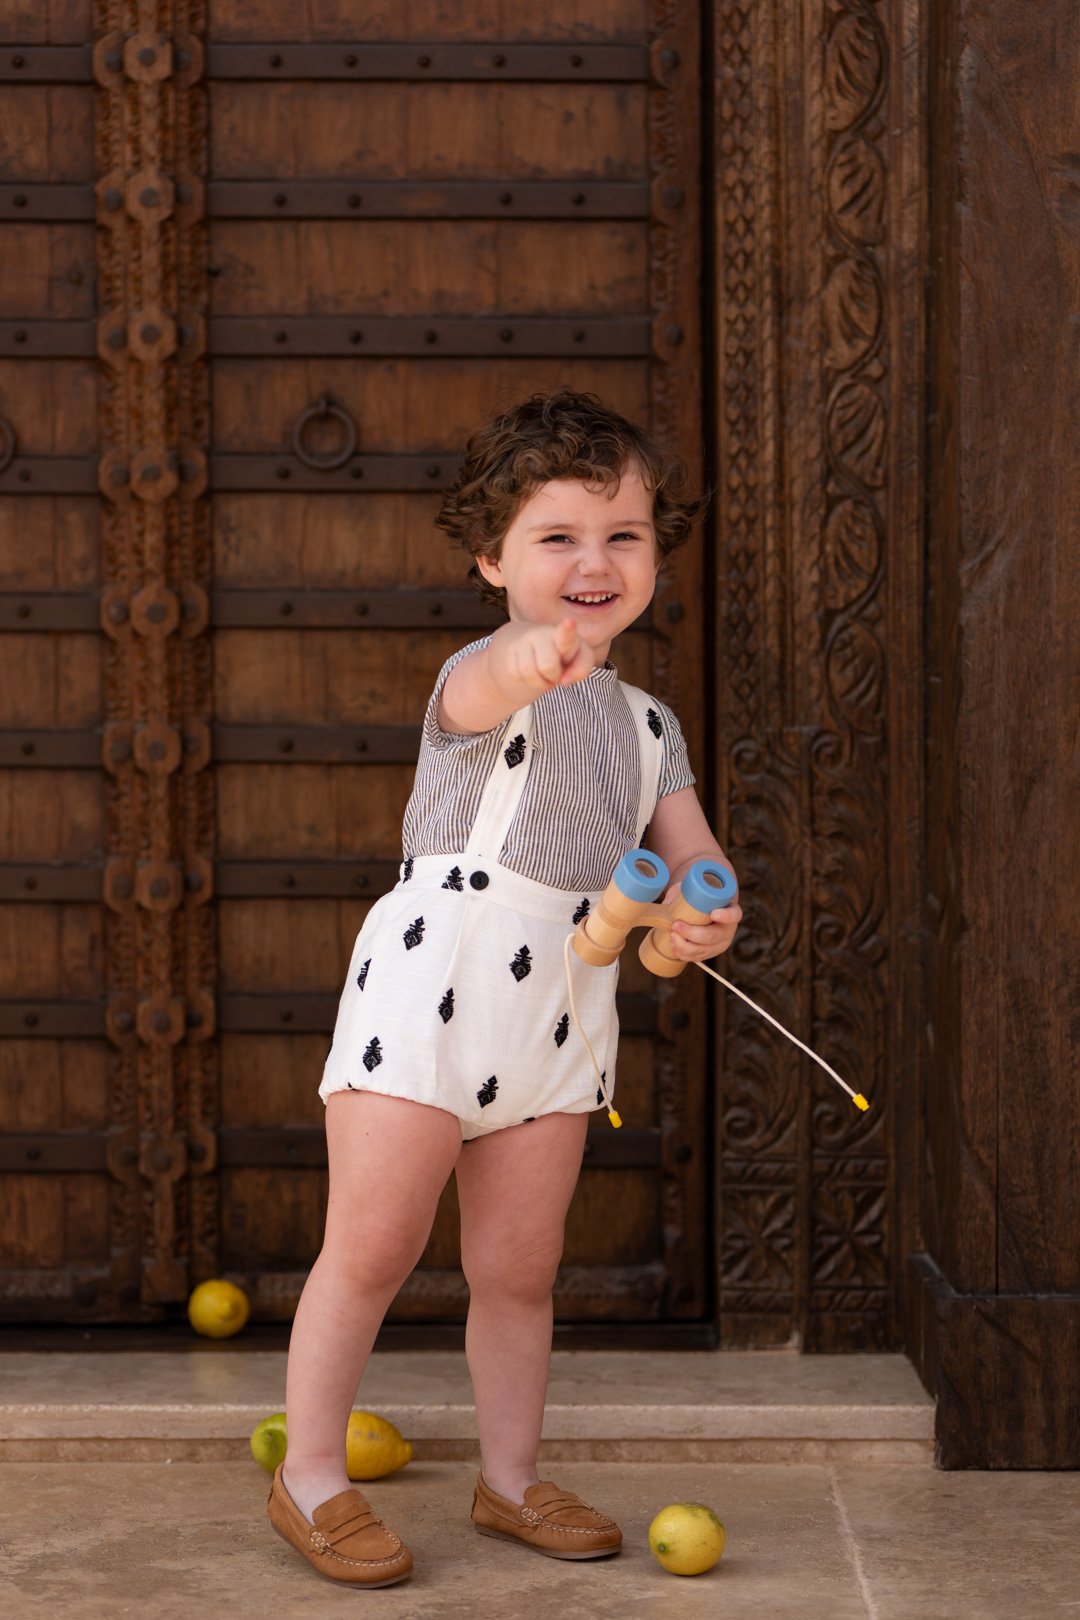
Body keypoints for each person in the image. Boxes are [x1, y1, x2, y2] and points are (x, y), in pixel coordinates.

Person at [266, 388, 742, 1586]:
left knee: (521, 1270)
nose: (596, 563)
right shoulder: (475, 678)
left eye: (623, 535)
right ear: (492, 560)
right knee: (372, 1246)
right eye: (558, 537)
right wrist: (529, 659)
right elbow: (490, 687)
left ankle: (511, 1479)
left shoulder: (651, 727)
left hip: (558, 1014)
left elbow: (694, 858)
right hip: (433, 986)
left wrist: (707, 913)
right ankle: (309, 1472)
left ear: (654, 555)